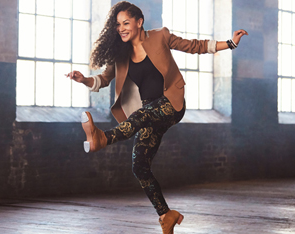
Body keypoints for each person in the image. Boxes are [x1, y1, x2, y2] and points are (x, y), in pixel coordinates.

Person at [66, 1, 248, 233]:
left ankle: (103, 138)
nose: (121, 28)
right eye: (117, 25)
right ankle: (166, 215)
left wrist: (230, 43)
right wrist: (84, 80)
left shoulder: (160, 36)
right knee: (139, 165)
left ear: (139, 22)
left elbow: (195, 46)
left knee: (140, 116)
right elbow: (103, 79)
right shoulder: (121, 56)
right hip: (148, 113)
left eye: (125, 23)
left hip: (171, 104)